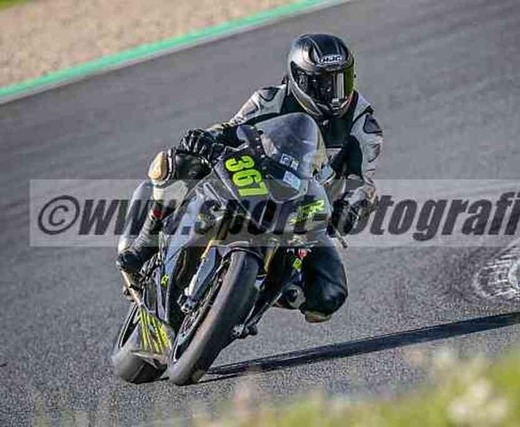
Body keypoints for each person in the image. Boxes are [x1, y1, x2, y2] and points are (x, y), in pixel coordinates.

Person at [117, 34, 384, 322]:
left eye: (342, 81)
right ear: (300, 79)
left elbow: (363, 182)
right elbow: (231, 129)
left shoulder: (362, 122)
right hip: (255, 181)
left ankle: (253, 294)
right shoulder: (270, 99)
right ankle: (144, 243)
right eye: (324, 84)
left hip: (306, 211)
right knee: (178, 162)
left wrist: (350, 208)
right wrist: (207, 139)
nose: (335, 94)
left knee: (327, 296)